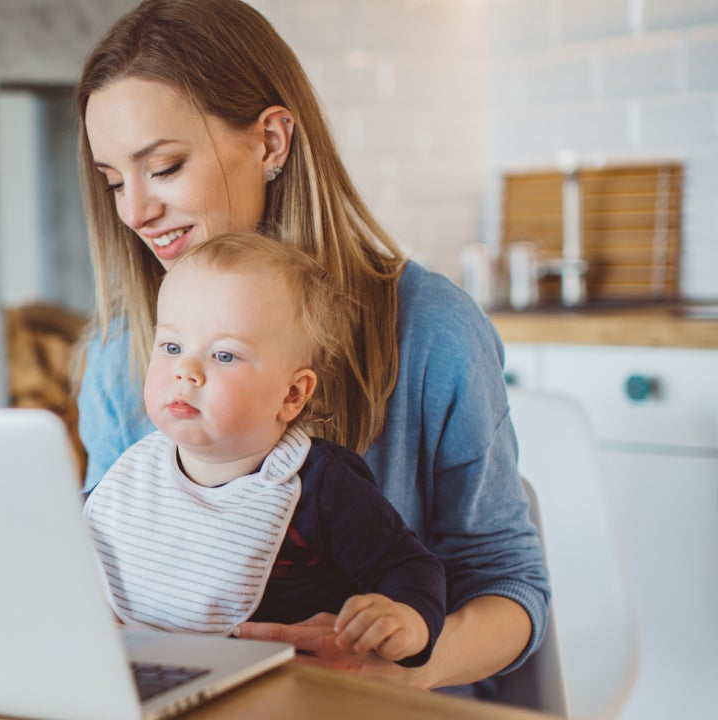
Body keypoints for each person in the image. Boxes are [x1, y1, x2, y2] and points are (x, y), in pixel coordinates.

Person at [73, 0, 549, 698]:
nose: (132, 211)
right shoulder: (124, 351)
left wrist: (396, 667)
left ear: (270, 142)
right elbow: (97, 580)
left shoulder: (431, 328)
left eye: (164, 167)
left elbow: (507, 579)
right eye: (114, 180)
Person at [85, 233, 446, 668]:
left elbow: (407, 566)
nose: (186, 371)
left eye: (224, 355)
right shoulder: (136, 473)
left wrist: (406, 620)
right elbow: (72, 541)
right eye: (172, 347)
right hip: (153, 687)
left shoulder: (321, 486)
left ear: (292, 395)